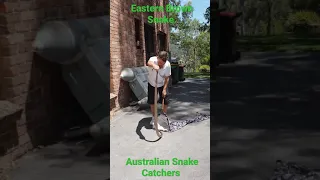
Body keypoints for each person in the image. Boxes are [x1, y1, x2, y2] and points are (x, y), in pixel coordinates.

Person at [147, 51, 171, 131]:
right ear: (157, 58)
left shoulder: (167, 65)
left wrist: (164, 89)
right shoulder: (153, 59)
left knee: (166, 99)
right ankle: (154, 118)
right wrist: (154, 65)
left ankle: (163, 117)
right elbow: (148, 62)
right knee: (152, 101)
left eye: (162, 64)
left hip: (161, 83)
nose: (160, 65)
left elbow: (167, 78)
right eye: (159, 63)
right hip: (152, 83)